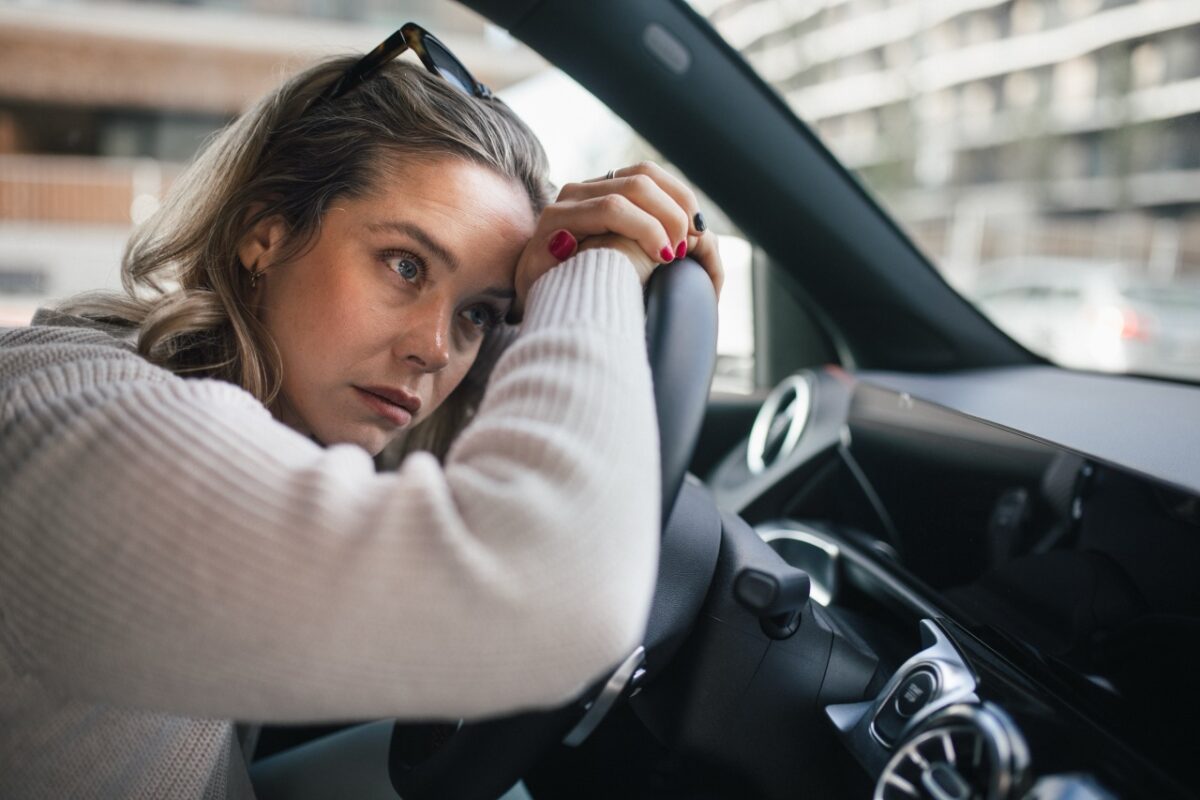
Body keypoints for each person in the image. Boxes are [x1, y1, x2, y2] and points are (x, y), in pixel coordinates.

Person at [0, 24, 723, 799]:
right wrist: (594, 275)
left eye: (479, 313)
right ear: (265, 233)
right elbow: (557, 591)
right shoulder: (87, 437)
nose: (435, 349)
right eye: (405, 265)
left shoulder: (264, 413)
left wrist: (556, 291)